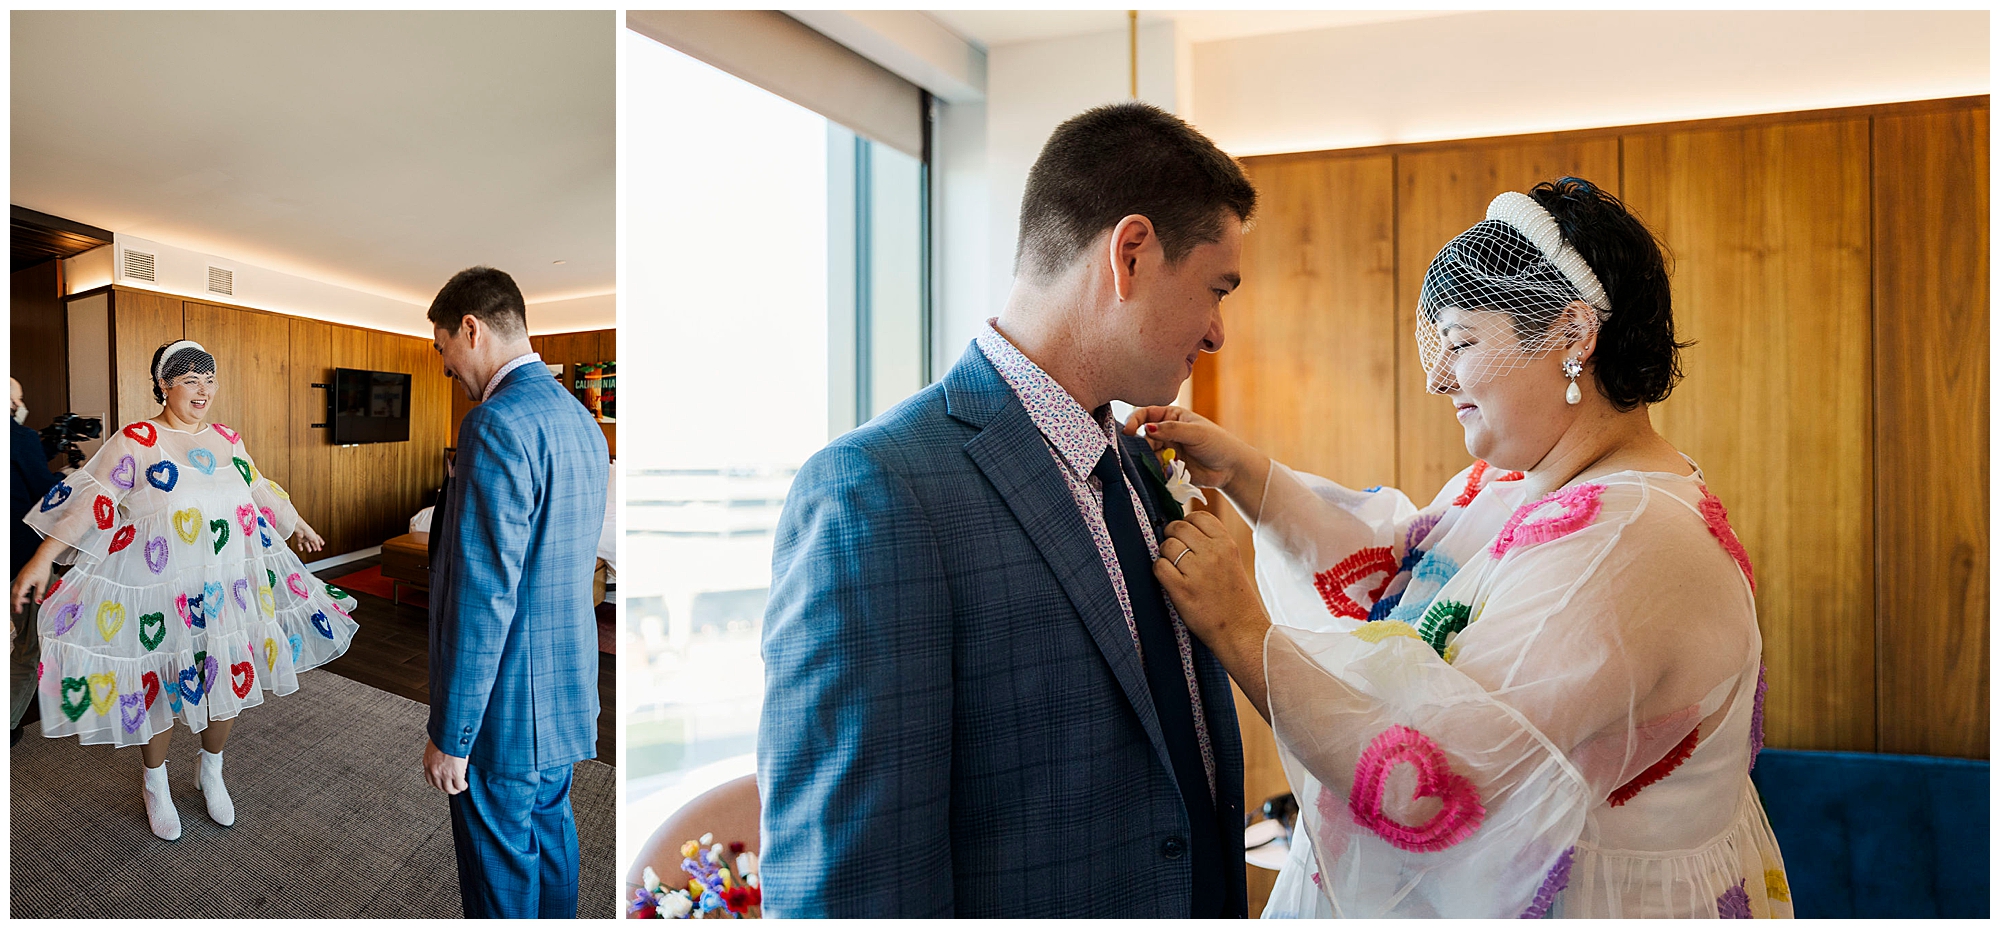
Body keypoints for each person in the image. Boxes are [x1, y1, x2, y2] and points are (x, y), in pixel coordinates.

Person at [1135, 178, 1791, 918]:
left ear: (1573, 335)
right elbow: (1405, 572)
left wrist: (1238, 628)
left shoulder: (1629, 540)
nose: (1436, 375)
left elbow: (1434, 778)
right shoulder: (1523, 481)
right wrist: (1248, 476)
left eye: (1462, 343)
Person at [759, 101, 1255, 917]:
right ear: (1131, 253)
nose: (1217, 331)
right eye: (1215, 288)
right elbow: (851, 887)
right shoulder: (874, 491)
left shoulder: (1139, 463)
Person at [10, 342, 354, 841]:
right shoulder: (138, 439)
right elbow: (94, 500)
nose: (202, 389)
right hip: (158, 591)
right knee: (164, 688)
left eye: (209, 379)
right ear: (163, 385)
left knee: (224, 684)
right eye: (189, 379)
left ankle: (210, 769)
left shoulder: (227, 439)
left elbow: (257, 486)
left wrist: (295, 521)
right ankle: (155, 783)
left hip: (224, 588)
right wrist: (42, 559)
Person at [420, 266, 607, 919]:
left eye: (444, 347)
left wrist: (453, 734)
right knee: (551, 836)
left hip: (505, 709)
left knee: (498, 867)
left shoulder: (494, 424)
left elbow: (483, 597)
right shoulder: (580, 420)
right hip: (564, 689)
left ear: (470, 328)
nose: (447, 367)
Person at [11, 377, 62, 740]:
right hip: (22, 561)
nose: (21, 406)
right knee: (30, 647)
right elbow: (44, 498)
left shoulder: (24, 441)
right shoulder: (20, 438)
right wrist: (66, 477)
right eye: (17, 401)